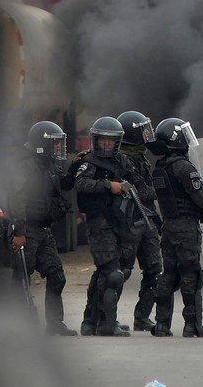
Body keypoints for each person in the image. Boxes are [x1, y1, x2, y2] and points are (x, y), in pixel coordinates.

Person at [5, 121, 77, 336]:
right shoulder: (26, 165)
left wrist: (75, 166)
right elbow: (17, 200)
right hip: (27, 229)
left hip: (43, 230)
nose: (58, 147)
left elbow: (64, 184)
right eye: (55, 143)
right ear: (42, 143)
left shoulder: (48, 164)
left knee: (57, 275)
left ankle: (54, 323)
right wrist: (19, 232)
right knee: (22, 279)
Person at [149, 117, 203, 338]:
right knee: (191, 275)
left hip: (168, 226)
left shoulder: (160, 168)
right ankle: (192, 326)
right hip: (186, 227)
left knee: (169, 274)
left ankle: (161, 324)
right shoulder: (183, 167)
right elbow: (201, 200)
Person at [74, 116, 134, 337]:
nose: (107, 144)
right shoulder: (89, 162)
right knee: (112, 273)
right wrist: (109, 185)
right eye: (103, 140)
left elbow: (136, 184)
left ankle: (91, 321)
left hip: (117, 221)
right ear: (96, 140)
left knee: (104, 273)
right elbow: (80, 183)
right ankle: (106, 324)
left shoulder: (122, 162)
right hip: (98, 222)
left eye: (111, 140)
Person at [116, 110, 163, 332]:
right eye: (143, 130)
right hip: (130, 222)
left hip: (147, 220)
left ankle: (142, 317)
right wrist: (164, 189)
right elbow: (142, 192)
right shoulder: (123, 160)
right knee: (121, 271)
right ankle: (104, 317)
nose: (147, 133)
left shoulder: (140, 156)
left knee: (154, 269)